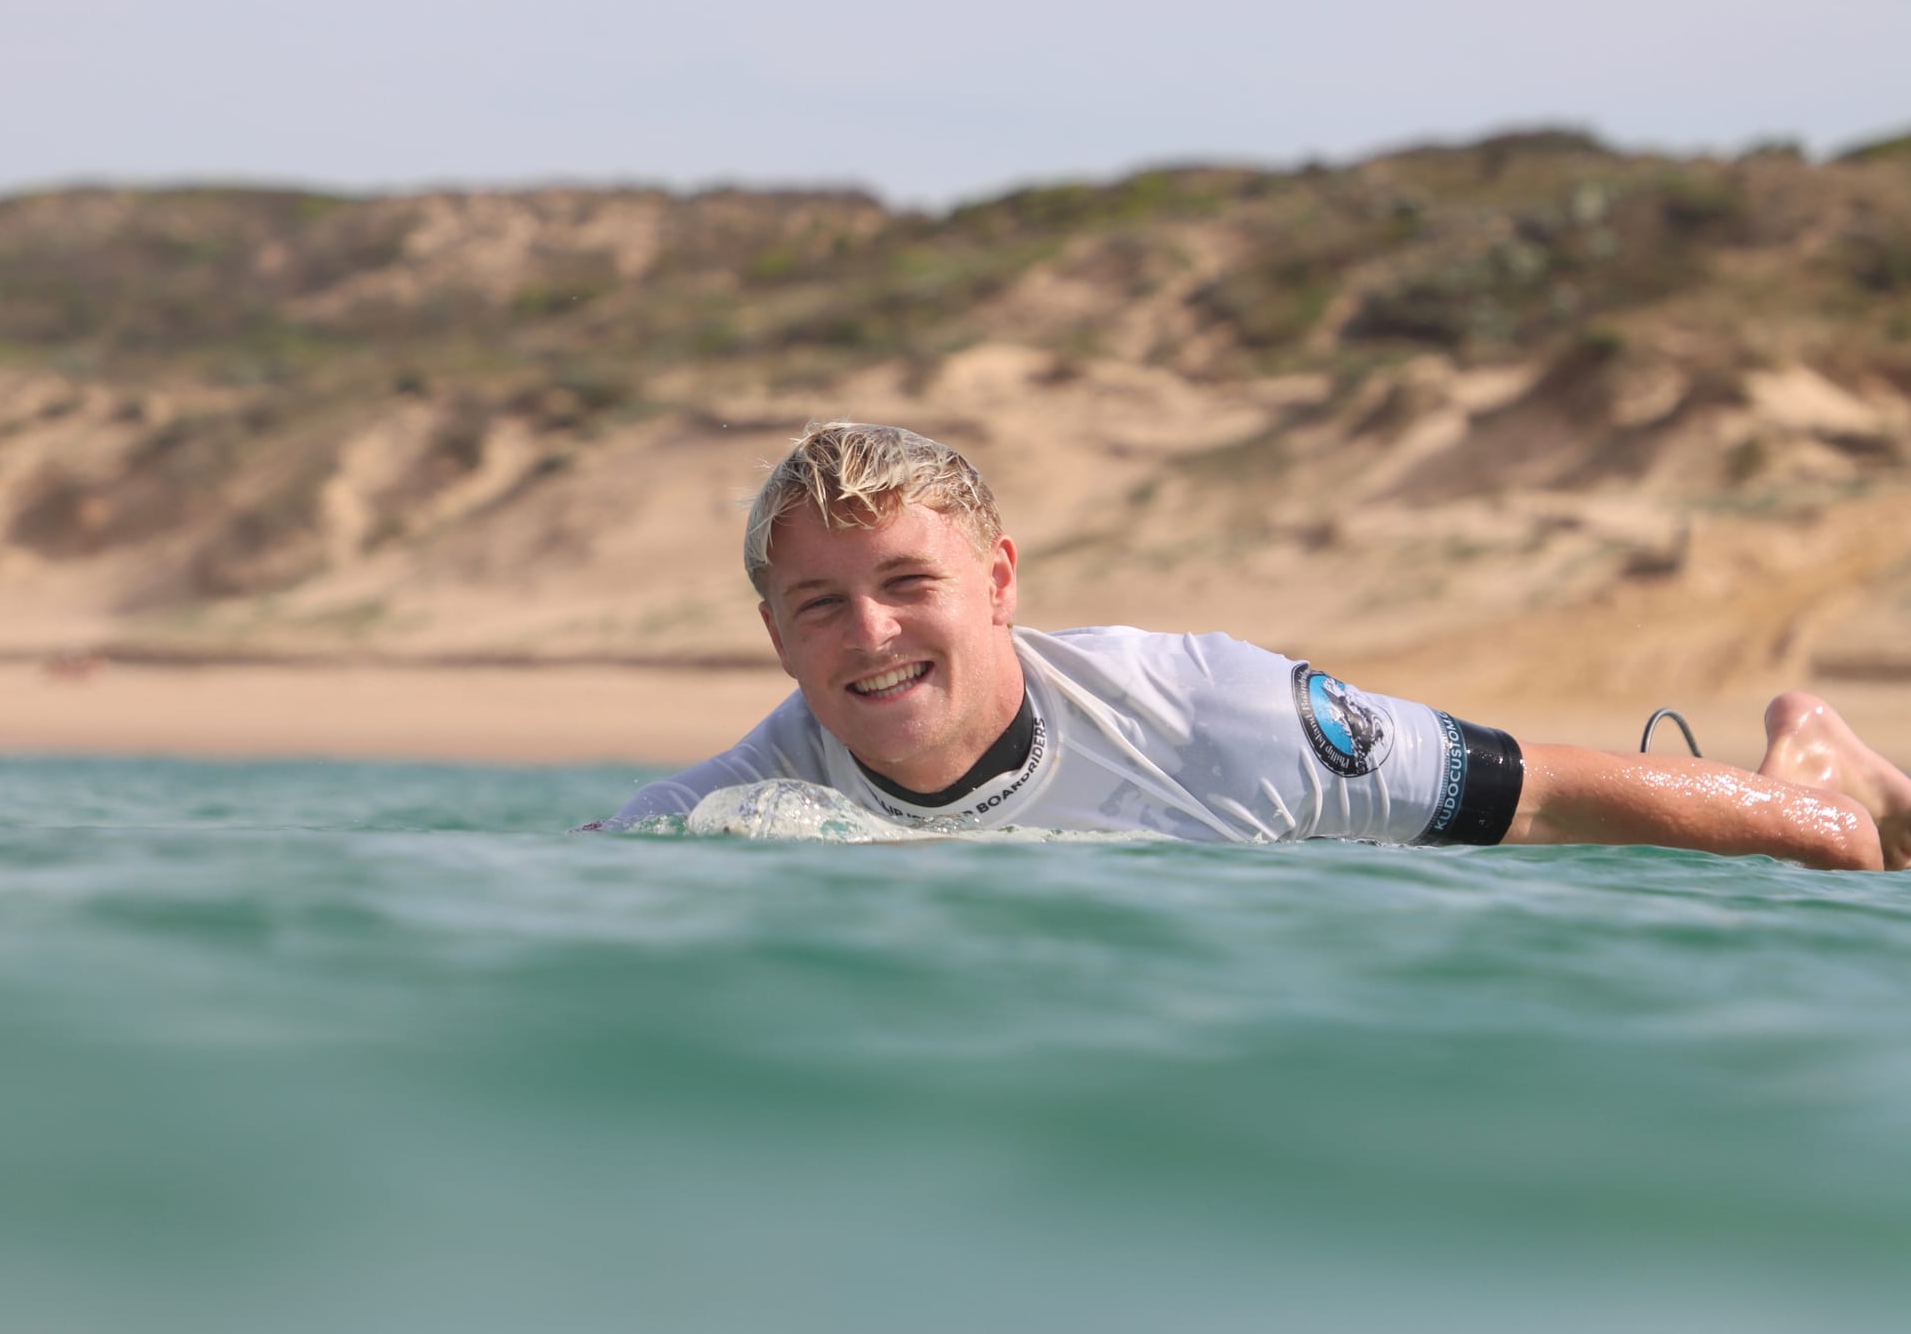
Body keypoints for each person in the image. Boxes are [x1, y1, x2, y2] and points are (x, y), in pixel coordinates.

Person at [588, 421, 1911, 871]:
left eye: (904, 584)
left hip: (1394, 899)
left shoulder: (1220, 717)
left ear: (997, 581)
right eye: (819, 605)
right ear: (774, 634)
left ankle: (1816, 760)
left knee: (1834, 836)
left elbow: (1554, 793)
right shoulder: (716, 825)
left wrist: (1820, 829)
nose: (868, 636)